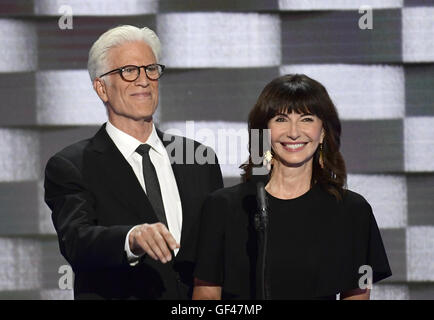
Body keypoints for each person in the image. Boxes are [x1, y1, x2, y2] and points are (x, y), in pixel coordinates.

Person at [44, 25, 223, 300]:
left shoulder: (199, 159)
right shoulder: (71, 166)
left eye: (151, 69)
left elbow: (217, 250)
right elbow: (76, 241)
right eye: (129, 71)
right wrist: (132, 238)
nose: (144, 80)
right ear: (102, 88)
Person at [192, 74, 392, 300]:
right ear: (263, 132)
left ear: (323, 131)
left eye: (306, 119)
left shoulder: (353, 211)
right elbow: (206, 293)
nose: (294, 132)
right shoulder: (223, 207)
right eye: (281, 119)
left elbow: (358, 294)